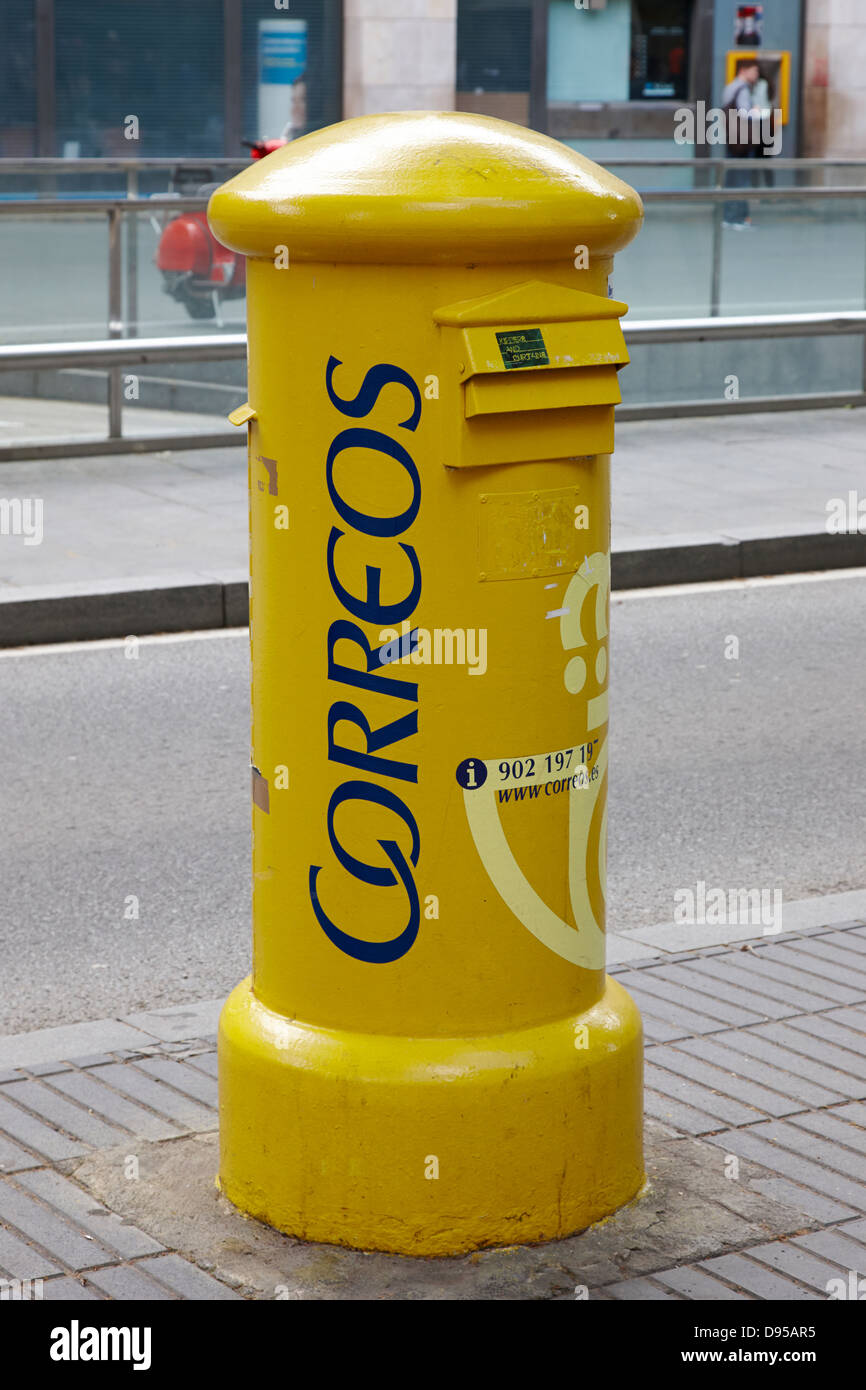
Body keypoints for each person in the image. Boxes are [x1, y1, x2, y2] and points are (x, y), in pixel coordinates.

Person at [721, 59, 761, 229]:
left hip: (733, 140)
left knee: (732, 179)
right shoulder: (742, 89)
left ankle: (729, 216)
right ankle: (738, 218)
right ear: (743, 70)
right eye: (754, 71)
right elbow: (745, 115)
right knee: (741, 180)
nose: (756, 75)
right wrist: (758, 112)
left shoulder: (730, 87)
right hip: (743, 142)